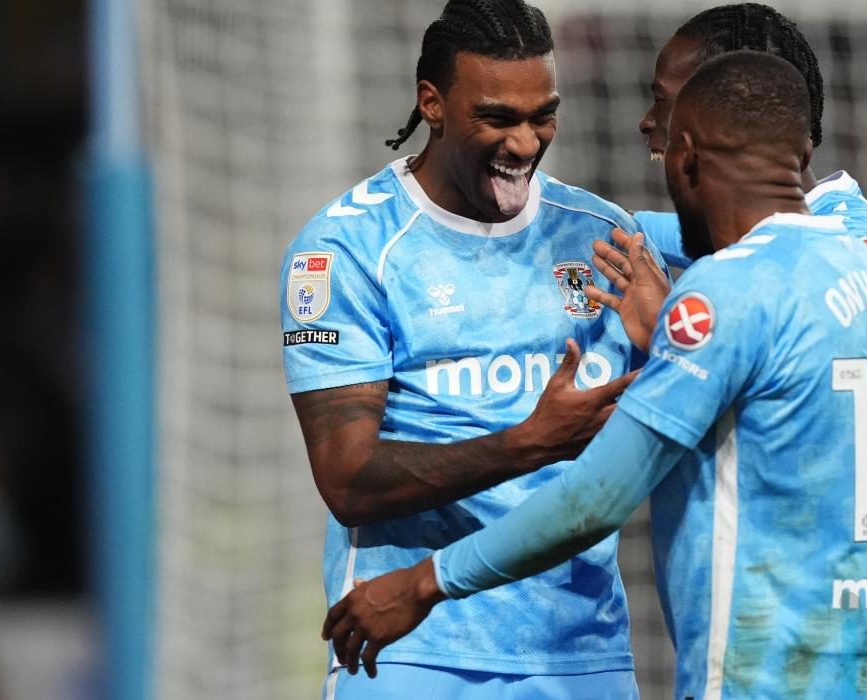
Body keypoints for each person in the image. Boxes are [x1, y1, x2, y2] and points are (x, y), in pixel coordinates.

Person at [323, 51, 867, 699]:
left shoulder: (723, 292)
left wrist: (424, 582)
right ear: (802, 154)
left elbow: (595, 498)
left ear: (685, 157)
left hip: (762, 673)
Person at [624, 5, 867, 698]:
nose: (646, 122)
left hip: (859, 664)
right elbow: (625, 228)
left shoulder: (852, 247)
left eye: (665, 100)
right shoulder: (740, 243)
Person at [279, 1, 666, 697]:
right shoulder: (347, 249)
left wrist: (663, 341)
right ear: (432, 102)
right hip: (410, 648)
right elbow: (347, 480)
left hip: (581, 652)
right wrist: (527, 444)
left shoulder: (604, 238)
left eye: (542, 116)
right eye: (497, 118)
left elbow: (693, 414)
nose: (524, 142)